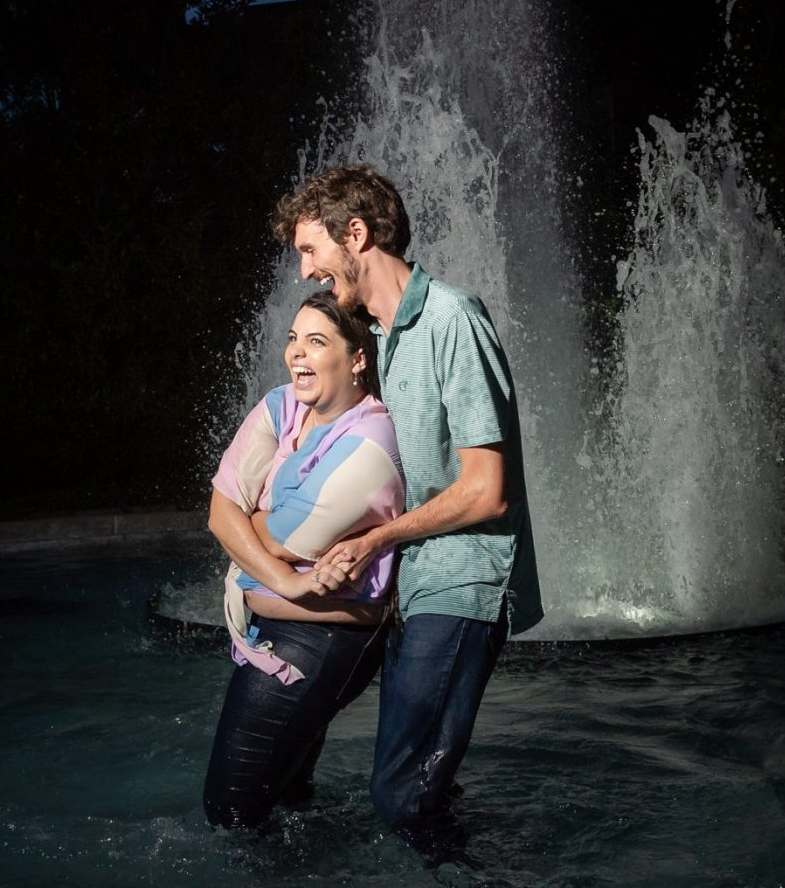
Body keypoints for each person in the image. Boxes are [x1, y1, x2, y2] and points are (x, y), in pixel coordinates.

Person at [272, 164, 542, 849]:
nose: (305, 268)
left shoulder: (453, 316)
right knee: (421, 788)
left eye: (312, 249)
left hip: (463, 580)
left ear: (355, 233)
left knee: (399, 793)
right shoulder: (379, 340)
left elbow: (488, 488)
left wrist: (375, 539)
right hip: (414, 583)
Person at [203, 290, 405, 830]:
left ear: (357, 357)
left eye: (316, 342)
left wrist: (253, 544)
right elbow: (219, 512)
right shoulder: (282, 404)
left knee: (230, 814)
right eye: (294, 339)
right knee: (288, 800)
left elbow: (279, 540)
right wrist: (289, 585)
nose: (297, 353)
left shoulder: (369, 445)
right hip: (288, 614)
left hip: (322, 641)